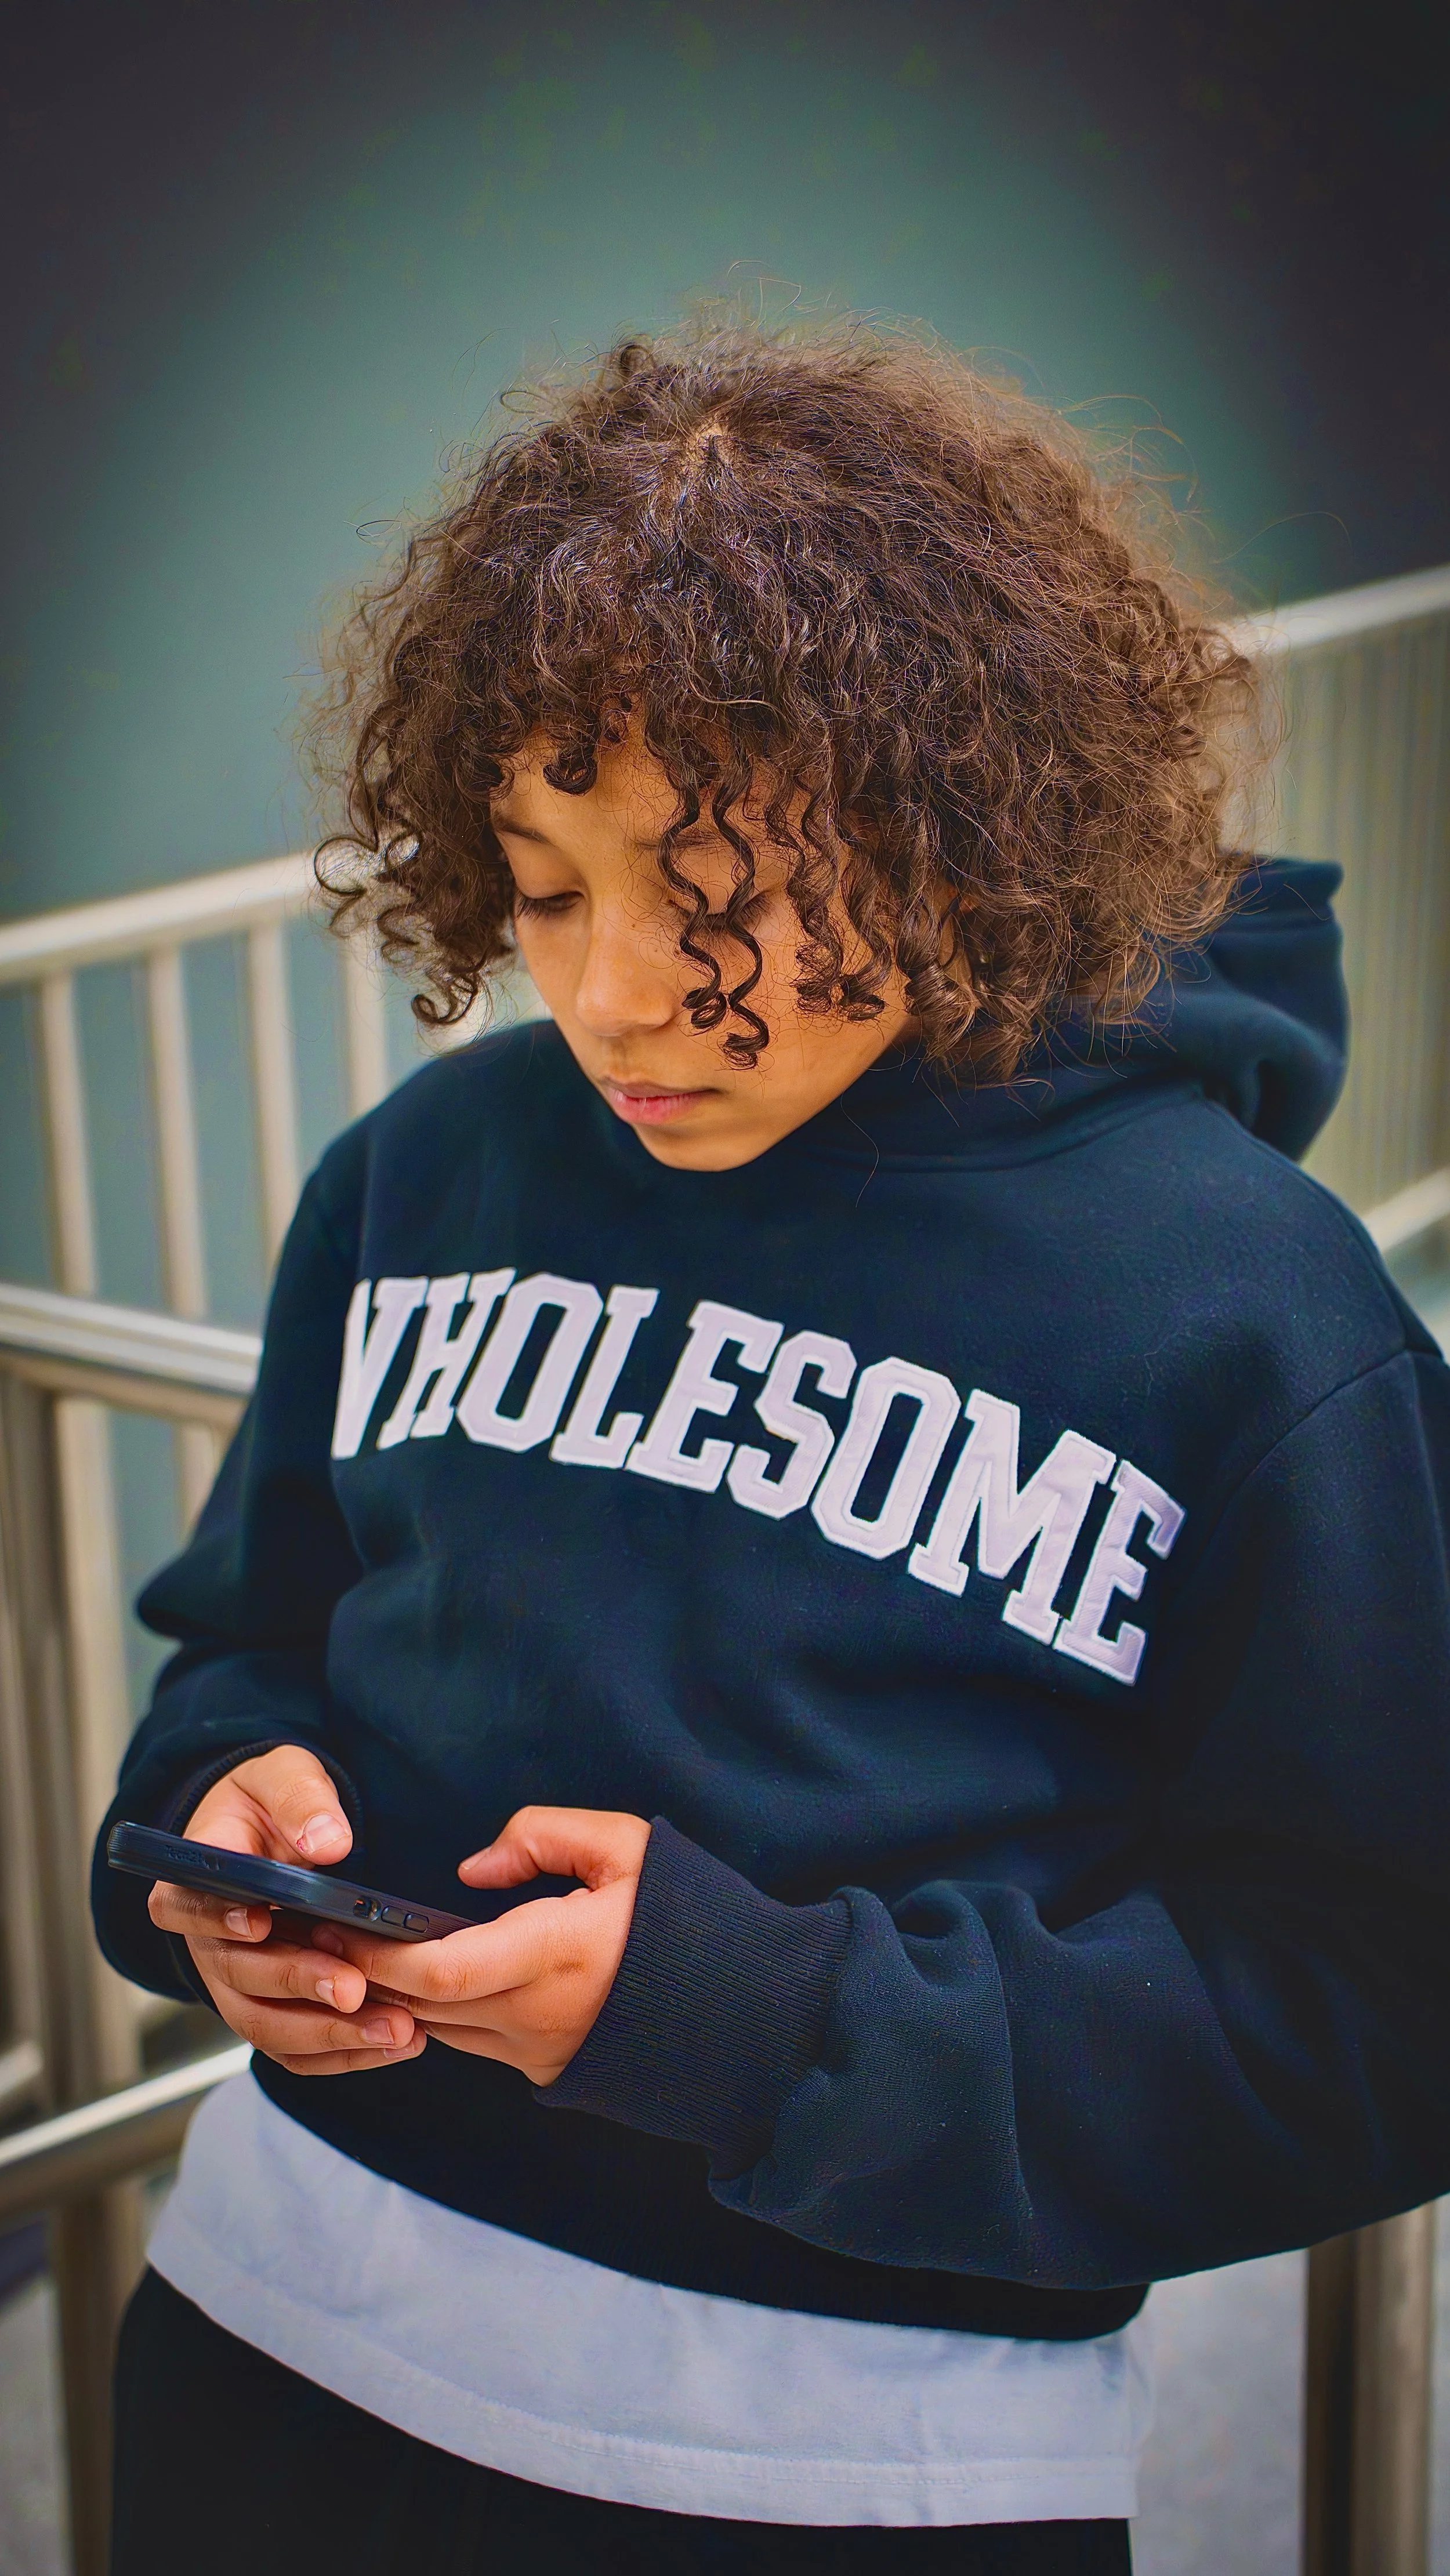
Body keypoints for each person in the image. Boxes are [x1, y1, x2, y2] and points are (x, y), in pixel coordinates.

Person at [94, 320, 1450, 2576]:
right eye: (543, 885)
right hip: (273, 2350)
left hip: (846, 2480)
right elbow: (244, 1647)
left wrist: (761, 2027)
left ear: (942, 819)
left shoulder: (1257, 1316)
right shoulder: (420, 1172)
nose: (617, 988)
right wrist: (200, 1841)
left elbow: (1377, 2000)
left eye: (714, 887)